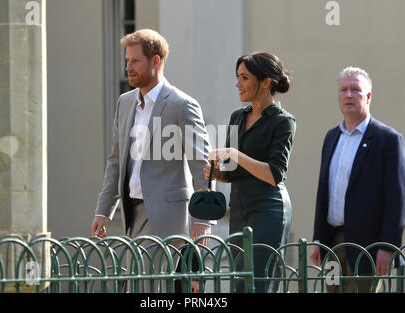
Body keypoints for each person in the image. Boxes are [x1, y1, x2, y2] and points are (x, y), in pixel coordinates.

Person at [91, 29, 213, 291]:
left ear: (155, 61)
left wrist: (204, 219)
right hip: (131, 216)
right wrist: (103, 210)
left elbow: (201, 164)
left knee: (146, 288)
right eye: (127, 61)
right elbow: (115, 163)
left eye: (135, 61)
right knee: (139, 286)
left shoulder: (182, 104)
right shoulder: (125, 103)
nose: (128, 67)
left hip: (167, 217)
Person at [310, 66, 405, 293]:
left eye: (355, 90)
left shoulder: (388, 140)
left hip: (368, 246)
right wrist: (318, 239)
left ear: (368, 96)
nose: (348, 95)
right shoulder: (332, 137)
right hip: (332, 244)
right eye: (343, 89)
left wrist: (387, 246)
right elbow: (324, 191)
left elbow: (398, 199)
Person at [205, 51, 296, 293]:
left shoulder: (283, 121)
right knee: (240, 281)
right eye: (238, 77)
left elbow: (275, 173)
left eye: (244, 78)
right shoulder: (238, 117)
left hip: (269, 207)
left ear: (266, 82)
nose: (238, 84)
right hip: (239, 207)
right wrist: (216, 174)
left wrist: (234, 155)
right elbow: (234, 172)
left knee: (260, 283)